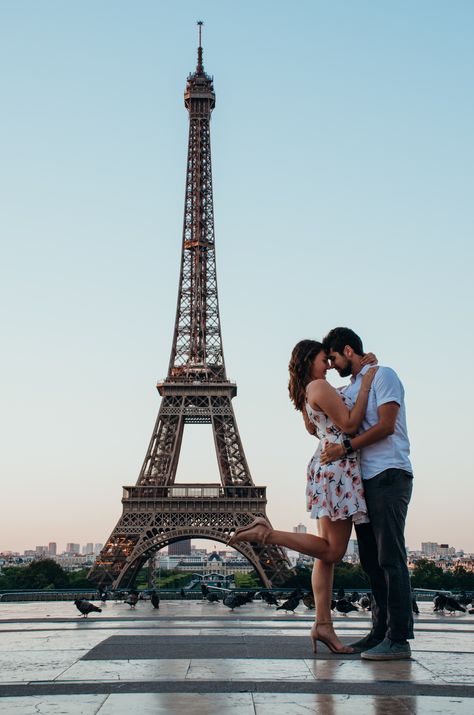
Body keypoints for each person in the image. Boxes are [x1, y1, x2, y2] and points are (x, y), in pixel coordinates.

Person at [229, 339, 377, 654]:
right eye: (325, 359)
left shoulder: (305, 393)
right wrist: (366, 382)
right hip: (337, 469)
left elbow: (318, 428)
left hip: (326, 467)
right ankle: (266, 534)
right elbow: (350, 424)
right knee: (334, 552)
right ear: (310, 360)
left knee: (325, 557)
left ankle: (323, 625)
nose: (328, 365)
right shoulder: (319, 386)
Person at [320, 327, 413, 661]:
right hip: (363, 482)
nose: (330, 364)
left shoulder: (384, 375)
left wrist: (345, 447)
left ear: (348, 350)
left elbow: (387, 425)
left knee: (391, 557)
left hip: (389, 474)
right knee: (372, 563)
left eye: (333, 357)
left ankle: (399, 638)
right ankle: (380, 631)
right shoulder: (354, 386)